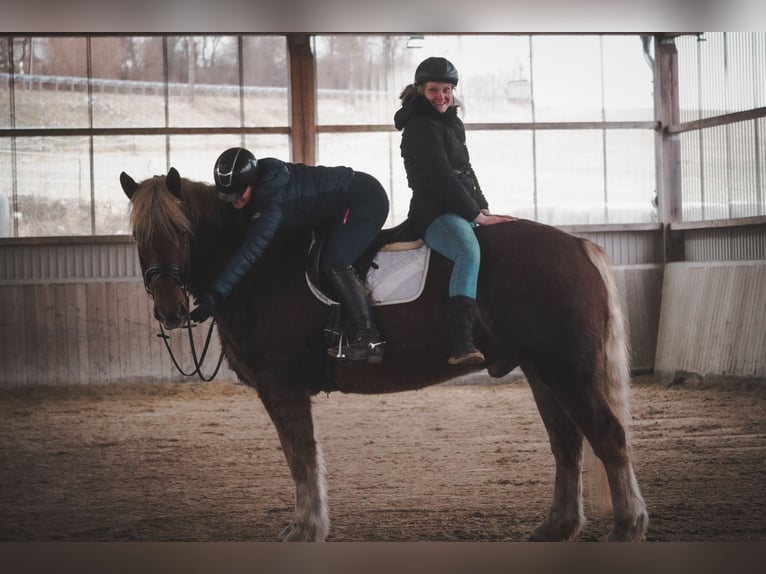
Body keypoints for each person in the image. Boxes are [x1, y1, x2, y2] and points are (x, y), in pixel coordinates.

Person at [189, 147, 389, 364]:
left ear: (251, 182)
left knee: (334, 262)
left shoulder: (270, 206)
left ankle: (370, 339)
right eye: (229, 195)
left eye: (239, 193)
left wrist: (217, 294)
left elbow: (250, 252)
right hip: (337, 205)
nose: (234, 200)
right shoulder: (258, 182)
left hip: (364, 200)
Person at [394, 57, 516, 366]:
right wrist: (476, 216)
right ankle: (461, 340)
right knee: (467, 251)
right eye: (434, 90)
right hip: (434, 212)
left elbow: (466, 170)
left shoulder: (451, 122)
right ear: (420, 90)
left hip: (461, 206)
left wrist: (483, 206)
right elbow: (441, 178)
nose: (441, 97)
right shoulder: (419, 127)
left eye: (447, 90)